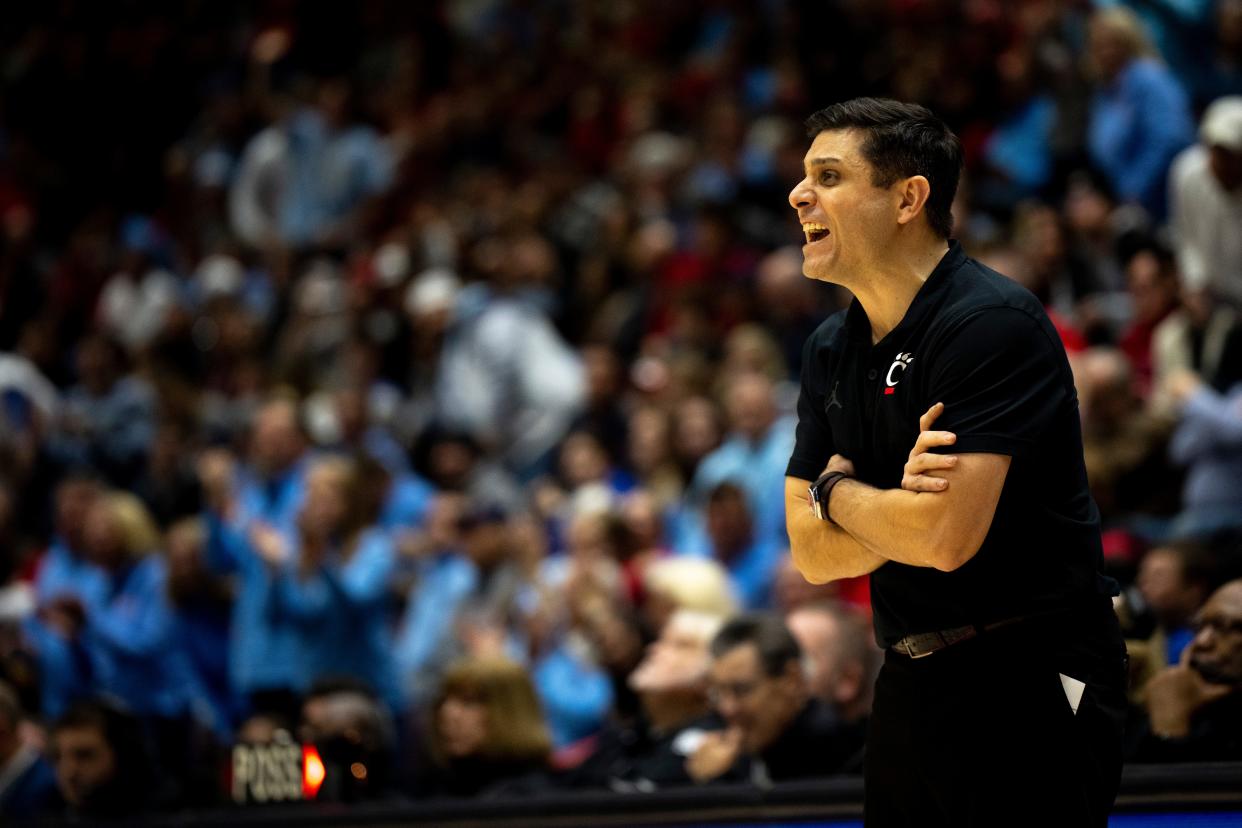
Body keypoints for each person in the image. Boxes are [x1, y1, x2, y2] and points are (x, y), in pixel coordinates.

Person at [783, 98, 1127, 826]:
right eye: (804, 176)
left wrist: (837, 489)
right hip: (909, 676)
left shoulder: (989, 324)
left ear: (909, 197)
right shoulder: (827, 351)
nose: (798, 194)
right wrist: (889, 510)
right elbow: (811, 557)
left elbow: (943, 538)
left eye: (830, 175)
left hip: (1028, 669)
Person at [686, 613, 861, 785]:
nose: (728, 708)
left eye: (741, 690)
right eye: (718, 693)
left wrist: (720, 782)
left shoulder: (836, 755)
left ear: (792, 680)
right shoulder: (751, 744)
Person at [1131, 579, 1242, 762]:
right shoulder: (1196, 706)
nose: (1201, 641)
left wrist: (1170, 727)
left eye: (1223, 627)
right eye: (1199, 627)